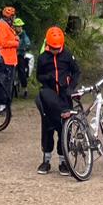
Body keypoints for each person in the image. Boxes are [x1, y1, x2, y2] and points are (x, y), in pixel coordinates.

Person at [35, 26, 80, 175]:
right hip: (49, 99)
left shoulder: (67, 55)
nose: (56, 50)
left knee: (64, 129)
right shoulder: (42, 58)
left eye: (58, 48)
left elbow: (76, 71)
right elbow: (38, 76)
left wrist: (71, 87)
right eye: (53, 48)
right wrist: (47, 79)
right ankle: (46, 160)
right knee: (48, 129)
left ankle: (63, 161)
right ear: (48, 44)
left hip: (65, 98)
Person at [0, 6, 20, 111]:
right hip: (6, 59)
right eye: (13, 16)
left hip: (10, 59)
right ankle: (2, 106)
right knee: (4, 83)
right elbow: (3, 42)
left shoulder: (7, 26)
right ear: (10, 17)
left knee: (8, 83)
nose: (14, 18)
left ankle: (4, 105)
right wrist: (16, 42)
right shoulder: (3, 26)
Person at [14, 18, 32, 97]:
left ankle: (25, 89)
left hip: (21, 54)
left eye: (20, 26)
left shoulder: (24, 34)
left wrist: (25, 47)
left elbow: (28, 43)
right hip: (12, 55)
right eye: (18, 26)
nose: (20, 28)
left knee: (21, 71)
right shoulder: (12, 33)